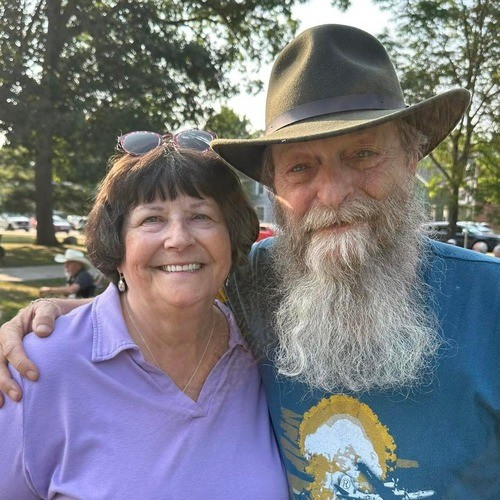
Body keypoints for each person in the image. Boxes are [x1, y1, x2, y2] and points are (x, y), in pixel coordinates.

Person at [1, 24, 499, 498]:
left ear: (411, 157)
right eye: (301, 167)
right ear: (275, 186)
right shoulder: (258, 280)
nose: (332, 193)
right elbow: (167, 293)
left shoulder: (490, 301)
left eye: (363, 155)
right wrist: (55, 317)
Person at [0, 130, 288, 498]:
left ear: (231, 241)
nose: (179, 239)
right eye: (152, 219)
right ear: (117, 244)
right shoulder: (38, 369)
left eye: (201, 215)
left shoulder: (262, 348)